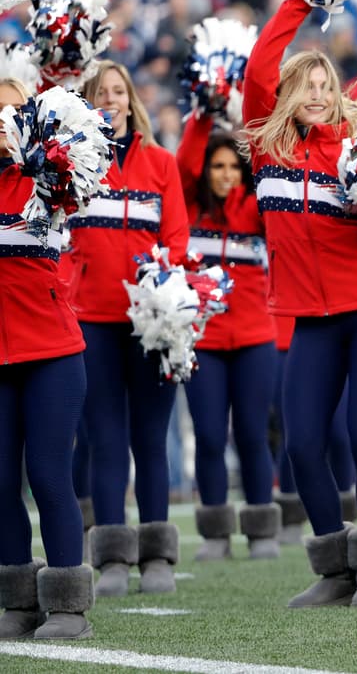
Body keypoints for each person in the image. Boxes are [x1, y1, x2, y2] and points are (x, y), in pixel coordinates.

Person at [243, 0, 357, 606]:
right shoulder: (269, 149)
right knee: (303, 443)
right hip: (309, 317)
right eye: (304, 85)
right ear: (287, 94)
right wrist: (298, 2)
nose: (316, 94)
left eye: (324, 84)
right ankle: (335, 568)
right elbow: (260, 65)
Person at [69, 61, 189, 597]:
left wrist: (162, 295)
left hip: (151, 323)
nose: (111, 100)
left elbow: (178, 241)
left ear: (131, 100)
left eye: (118, 92)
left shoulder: (161, 163)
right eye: (100, 94)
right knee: (106, 438)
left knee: (151, 437)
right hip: (90, 319)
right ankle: (113, 556)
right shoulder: (71, 165)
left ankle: (158, 554)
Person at [0, 78, 95, 639]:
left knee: (49, 475)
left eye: (13, 112)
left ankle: (67, 603)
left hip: (53, 352)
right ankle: (16, 598)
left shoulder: (51, 180)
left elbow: (71, 166)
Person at [175, 110, 280, 560]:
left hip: (256, 338)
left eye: (234, 167)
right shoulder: (189, 208)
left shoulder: (256, 209)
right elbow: (182, 163)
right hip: (204, 342)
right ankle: (216, 531)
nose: (226, 174)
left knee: (254, 433)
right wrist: (202, 114)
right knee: (211, 435)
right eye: (217, 166)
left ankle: (261, 530)